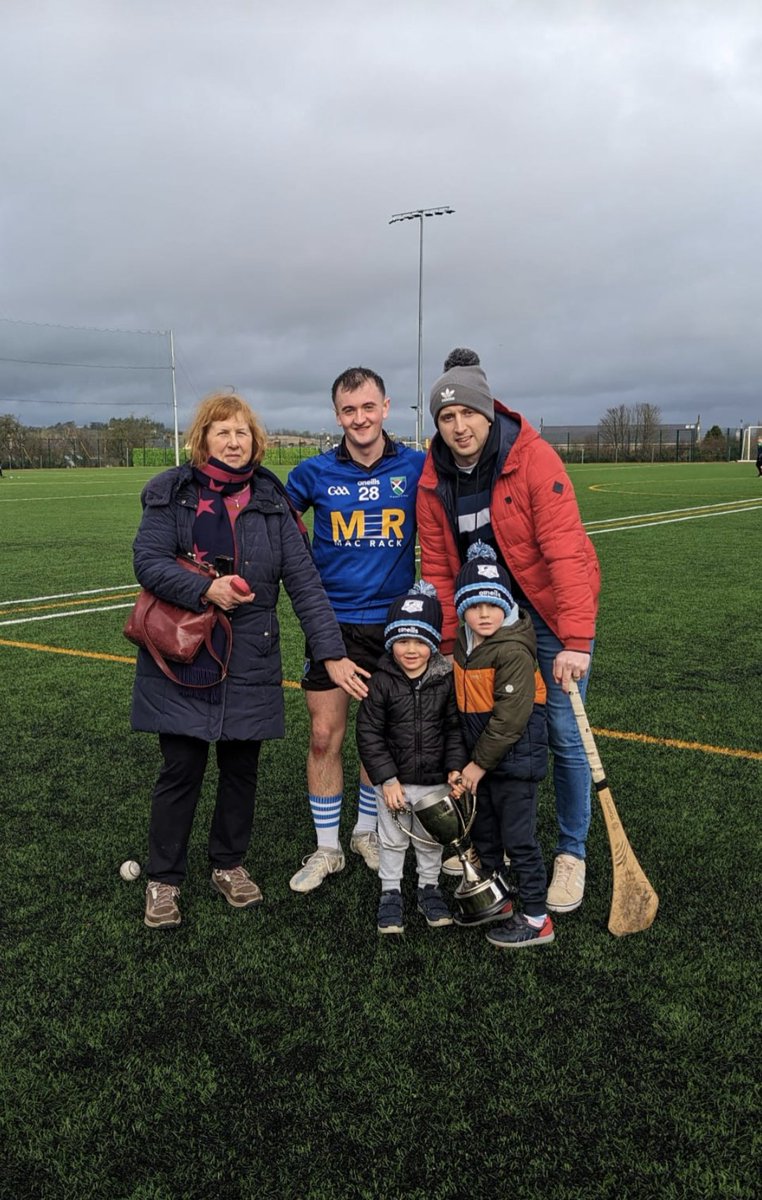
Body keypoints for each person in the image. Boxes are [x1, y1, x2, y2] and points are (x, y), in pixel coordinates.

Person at [131, 391, 362, 929]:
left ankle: (229, 865)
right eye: (222, 431)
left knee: (241, 770)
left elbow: (305, 584)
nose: (233, 441)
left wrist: (330, 654)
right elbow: (148, 561)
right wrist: (205, 590)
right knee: (180, 769)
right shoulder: (175, 492)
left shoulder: (270, 500)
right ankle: (164, 880)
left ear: (255, 441)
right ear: (202, 439)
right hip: (183, 653)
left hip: (251, 656)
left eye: (242, 432)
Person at [416, 348, 600, 915]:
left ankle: (571, 852)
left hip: (544, 616)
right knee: (477, 726)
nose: (459, 426)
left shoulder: (531, 458)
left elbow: (565, 551)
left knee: (564, 736)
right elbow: (442, 569)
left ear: (487, 411)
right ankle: (485, 842)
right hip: (479, 622)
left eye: (467, 414)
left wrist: (574, 639)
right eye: (446, 418)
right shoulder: (433, 478)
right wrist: (449, 645)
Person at [285, 367, 426, 893]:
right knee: (325, 735)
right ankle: (328, 848)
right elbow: (272, 522)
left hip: (394, 626)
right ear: (337, 415)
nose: (360, 419)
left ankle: (367, 832)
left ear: (386, 407)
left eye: (368, 407)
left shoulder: (416, 466)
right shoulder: (311, 472)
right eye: (349, 410)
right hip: (332, 623)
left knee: (380, 737)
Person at [451, 542, 553, 948]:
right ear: (463, 610)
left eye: (493, 606)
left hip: (515, 764)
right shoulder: (464, 645)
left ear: (506, 607)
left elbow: (510, 719)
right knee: (486, 837)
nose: (485, 614)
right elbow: (460, 712)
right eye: (475, 606)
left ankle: (536, 917)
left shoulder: (511, 649)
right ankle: (496, 901)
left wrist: (477, 765)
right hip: (485, 764)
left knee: (519, 841)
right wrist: (464, 763)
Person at [355, 581, 466, 935]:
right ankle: (390, 892)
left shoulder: (445, 680)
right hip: (396, 784)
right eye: (402, 641)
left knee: (430, 838)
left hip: (434, 783)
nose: (411, 650)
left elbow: (453, 728)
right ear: (391, 643)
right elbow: (368, 734)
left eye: (420, 641)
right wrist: (387, 779)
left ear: (433, 644)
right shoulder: (381, 681)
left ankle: (428, 888)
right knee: (391, 838)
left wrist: (453, 768)